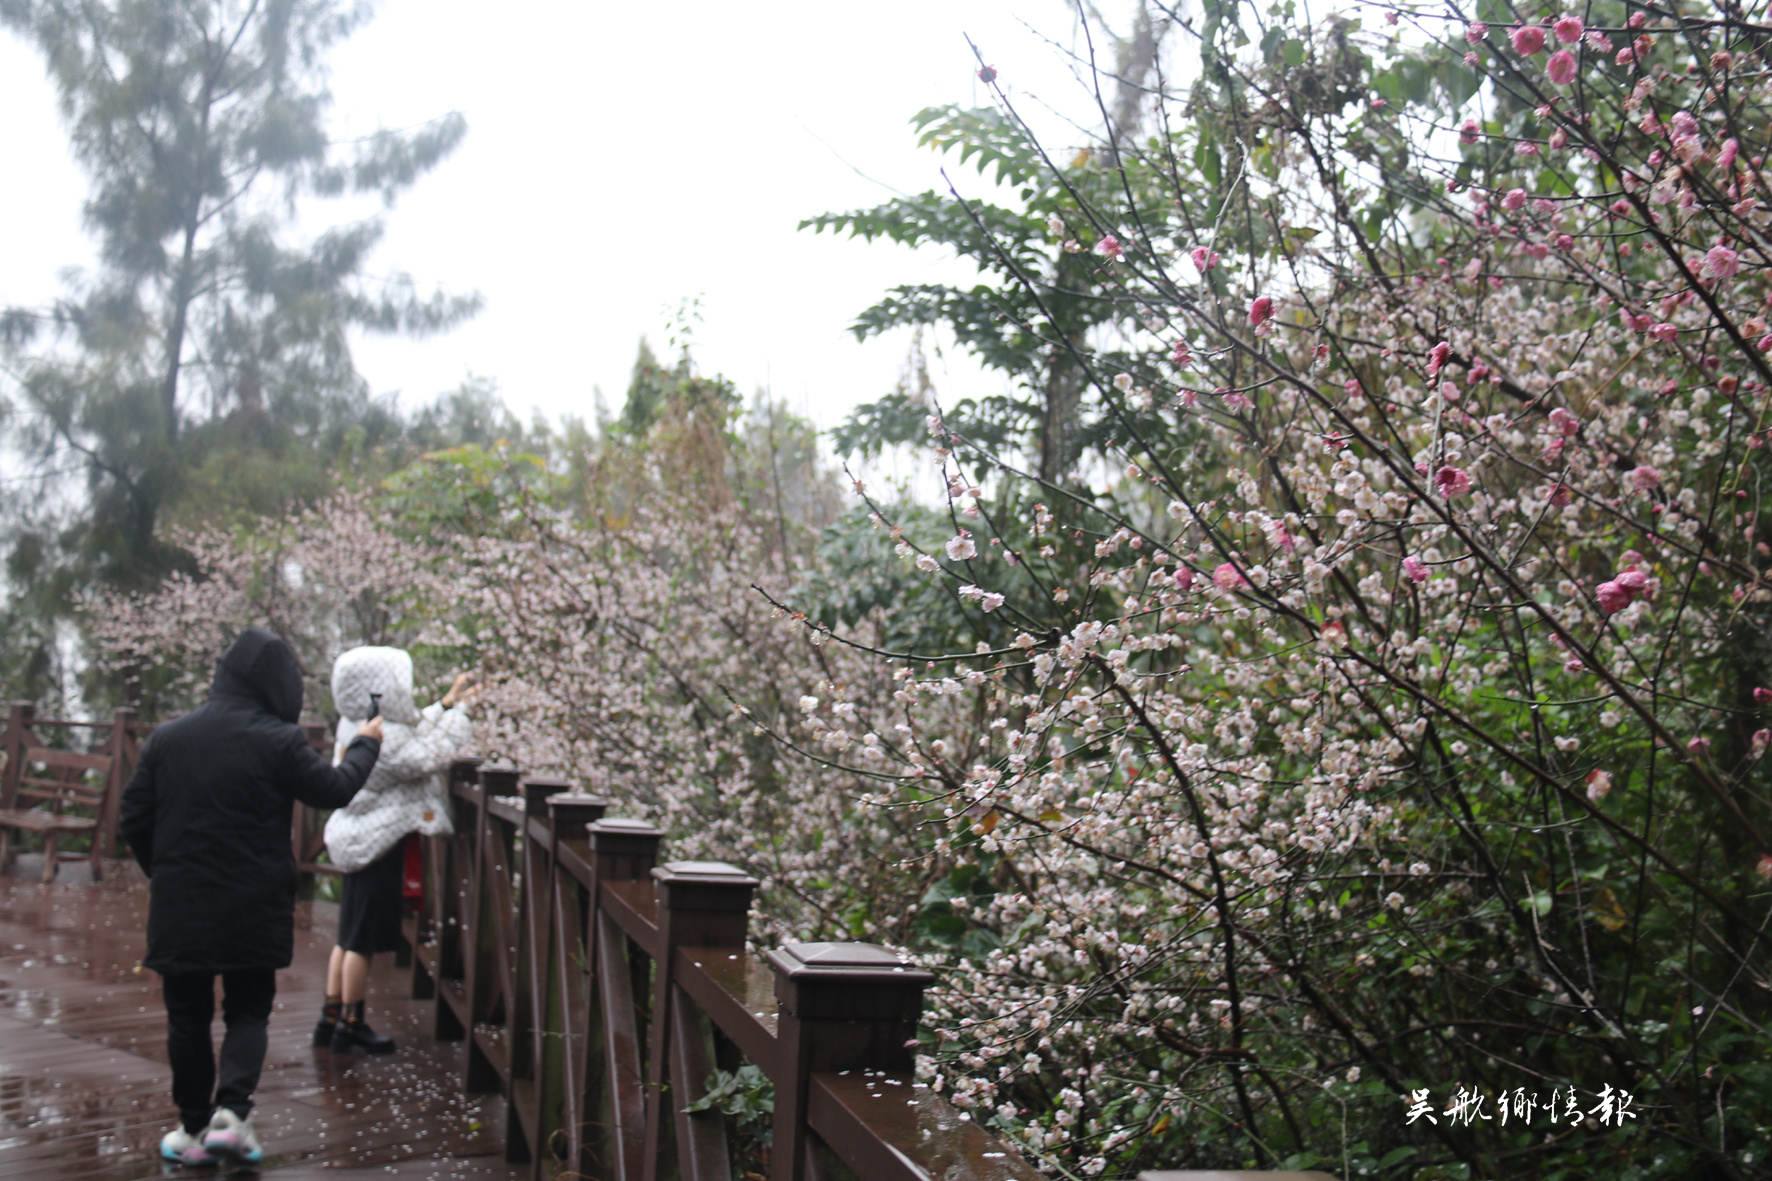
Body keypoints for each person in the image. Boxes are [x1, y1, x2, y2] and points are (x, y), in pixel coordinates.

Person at [120, 627, 384, 1170]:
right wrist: (367, 743)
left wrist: (165, 872)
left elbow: (132, 818)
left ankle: (192, 1127)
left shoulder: (167, 739)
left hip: (181, 905)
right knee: (247, 1011)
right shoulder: (277, 740)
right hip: (253, 905)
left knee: (186, 1018)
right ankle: (232, 1118)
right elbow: (334, 790)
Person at [314, 646, 474, 1054]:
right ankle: (352, 1023)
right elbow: (430, 753)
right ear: (381, 689)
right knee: (361, 940)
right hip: (375, 844)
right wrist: (461, 716)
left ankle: (330, 1018)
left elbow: (414, 729)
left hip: (357, 839)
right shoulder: (387, 735)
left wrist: (443, 704)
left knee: (347, 935)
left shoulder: (359, 724)